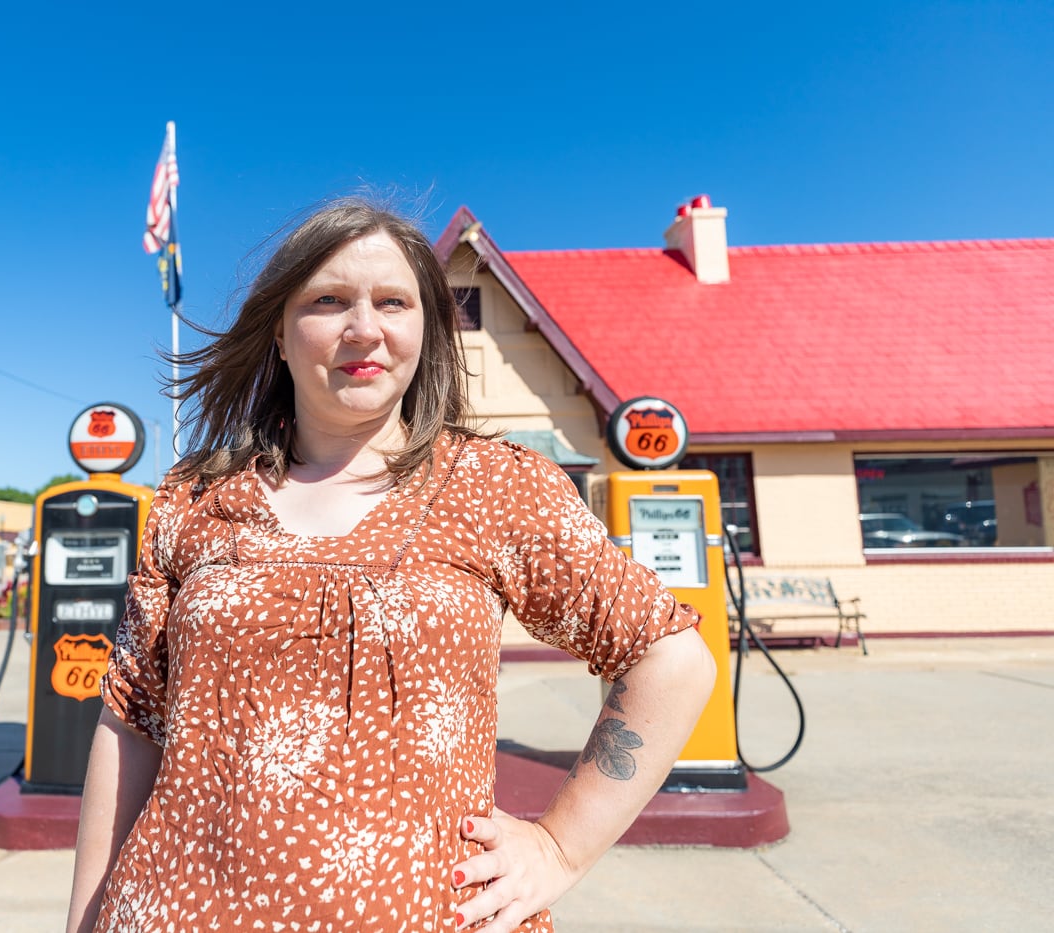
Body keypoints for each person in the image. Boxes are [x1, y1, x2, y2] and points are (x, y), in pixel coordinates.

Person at [66, 200, 716, 932]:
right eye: (329, 300)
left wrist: (561, 847)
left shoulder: (497, 488)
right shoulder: (193, 499)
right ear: (279, 332)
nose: (364, 328)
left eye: (393, 302)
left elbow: (672, 658)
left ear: (425, 330)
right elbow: (130, 726)